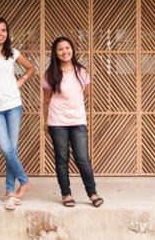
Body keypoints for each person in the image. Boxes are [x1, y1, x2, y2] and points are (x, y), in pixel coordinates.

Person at [0, 17, 35, 210]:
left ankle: (10, 192)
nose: (0, 33)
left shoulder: (13, 53)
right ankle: (24, 181)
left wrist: (21, 81)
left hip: (13, 106)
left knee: (12, 149)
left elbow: (31, 67)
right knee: (6, 149)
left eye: (3, 30)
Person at [42, 36, 103, 208]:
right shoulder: (50, 74)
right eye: (60, 49)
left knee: (82, 159)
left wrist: (73, 106)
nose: (64, 51)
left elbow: (86, 92)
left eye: (67, 48)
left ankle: (92, 193)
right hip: (57, 121)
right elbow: (46, 100)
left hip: (77, 121)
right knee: (62, 159)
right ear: (55, 53)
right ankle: (66, 194)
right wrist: (45, 122)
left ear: (72, 50)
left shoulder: (81, 72)